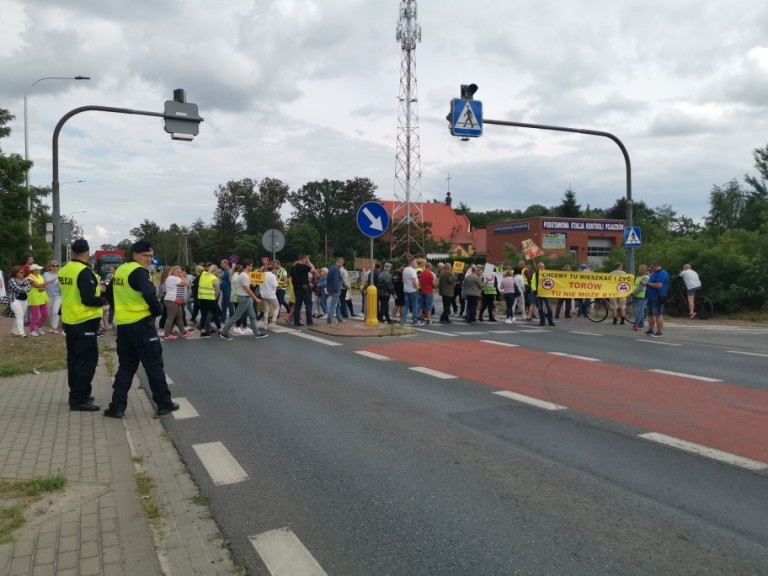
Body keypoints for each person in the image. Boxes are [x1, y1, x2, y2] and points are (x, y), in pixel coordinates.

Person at [104, 239, 178, 418]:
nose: (149, 259)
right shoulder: (139, 272)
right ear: (135, 254)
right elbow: (149, 294)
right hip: (142, 326)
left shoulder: (121, 270)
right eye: (146, 256)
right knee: (153, 365)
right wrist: (157, 311)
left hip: (124, 327)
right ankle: (164, 404)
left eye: (151, 257)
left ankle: (117, 407)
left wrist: (118, 310)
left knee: (126, 367)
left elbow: (108, 294)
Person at [57, 239, 107, 411]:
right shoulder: (84, 272)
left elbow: (71, 294)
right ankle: (80, 399)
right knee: (87, 361)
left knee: (74, 360)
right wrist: (104, 299)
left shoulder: (64, 270)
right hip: (84, 321)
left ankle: (77, 393)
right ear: (87, 252)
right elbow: (88, 299)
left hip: (70, 321)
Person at [219, 259, 268, 340]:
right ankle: (224, 332)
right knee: (236, 316)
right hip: (244, 298)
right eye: (251, 265)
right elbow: (247, 289)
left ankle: (257, 333)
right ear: (247, 266)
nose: (252, 267)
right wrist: (255, 298)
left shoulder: (245, 275)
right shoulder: (244, 275)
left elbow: (248, 287)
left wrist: (253, 285)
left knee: (252, 315)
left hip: (246, 299)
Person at [162, 266, 191, 340]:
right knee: (171, 318)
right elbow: (186, 283)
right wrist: (182, 276)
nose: (180, 273)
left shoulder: (171, 278)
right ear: (173, 271)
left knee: (179, 316)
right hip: (172, 300)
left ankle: (183, 332)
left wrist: (181, 276)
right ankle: (167, 334)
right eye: (178, 271)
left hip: (176, 300)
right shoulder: (173, 278)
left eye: (180, 271)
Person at [3, 265, 31, 337]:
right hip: (15, 300)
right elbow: (18, 289)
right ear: (16, 273)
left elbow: (29, 288)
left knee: (20, 315)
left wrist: (24, 287)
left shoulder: (24, 279)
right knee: (20, 315)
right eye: (21, 272)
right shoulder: (12, 280)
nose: (22, 273)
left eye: (23, 272)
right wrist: (24, 288)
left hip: (24, 300)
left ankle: (14, 331)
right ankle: (22, 333)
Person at [644, 260, 670, 338]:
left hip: (658, 296)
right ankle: (650, 330)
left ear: (656, 266)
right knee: (650, 314)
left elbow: (659, 285)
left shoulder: (662, 273)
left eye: (652, 267)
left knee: (657, 314)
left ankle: (659, 332)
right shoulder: (654, 273)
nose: (650, 269)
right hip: (650, 296)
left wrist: (647, 283)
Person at [290, 254, 315, 326]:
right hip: (305, 288)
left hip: (296, 288)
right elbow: (313, 269)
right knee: (308, 304)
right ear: (304, 259)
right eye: (306, 260)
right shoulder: (304, 267)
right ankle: (309, 321)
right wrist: (309, 261)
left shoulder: (293, 267)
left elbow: (291, 278)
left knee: (298, 306)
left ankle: (296, 322)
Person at [25, 264, 51, 337]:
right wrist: (47, 283)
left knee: (45, 314)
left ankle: (39, 327)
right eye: (38, 269)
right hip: (34, 297)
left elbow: (42, 287)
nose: (40, 270)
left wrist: (44, 287)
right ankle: (32, 330)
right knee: (35, 315)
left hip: (42, 296)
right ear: (34, 270)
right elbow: (37, 285)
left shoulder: (40, 276)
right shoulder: (29, 277)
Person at [198, 263, 221, 336]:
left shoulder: (203, 275)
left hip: (202, 298)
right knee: (217, 314)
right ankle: (220, 330)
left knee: (204, 314)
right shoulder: (215, 278)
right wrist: (215, 297)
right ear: (215, 271)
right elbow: (217, 290)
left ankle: (202, 331)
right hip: (211, 299)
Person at [532, 262, 555, 327]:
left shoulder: (547, 273)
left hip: (546, 293)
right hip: (539, 294)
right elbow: (533, 284)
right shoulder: (535, 274)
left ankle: (550, 321)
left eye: (543, 266)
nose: (542, 267)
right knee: (540, 308)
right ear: (538, 267)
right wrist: (535, 292)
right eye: (541, 266)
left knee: (549, 308)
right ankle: (542, 321)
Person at [44, 260, 62, 334]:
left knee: (55, 311)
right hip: (48, 295)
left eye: (57, 265)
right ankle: (52, 327)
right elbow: (43, 284)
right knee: (50, 312)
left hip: (58, 295)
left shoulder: (60, 274)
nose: (55, 267)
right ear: (49, 266)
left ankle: (55, 328)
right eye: (53, 265)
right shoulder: (45, 274)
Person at [325, 257, 345, 325]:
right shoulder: (336, 269)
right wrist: (337, 290)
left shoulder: (331, 267)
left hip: (330, 289)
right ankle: (329, 320)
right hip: (335, 290)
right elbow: (336, 280)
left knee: (338, 304)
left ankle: (340, 318)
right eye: (342, 264)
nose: (342, 265)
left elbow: (328, 279)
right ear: (340, 262)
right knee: (333, 305)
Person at [401, 258, 421, 326]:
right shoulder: (413, 271)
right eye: (415, 262)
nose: (416, 264)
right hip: (413, 290)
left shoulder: (405, 269)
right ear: (411, 262)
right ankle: (415, 320)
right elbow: (414, 281)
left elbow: (403, 280)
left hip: (406, 290)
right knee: (415, 305)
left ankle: (404, 320)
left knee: (406, 305)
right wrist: (416, 289)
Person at [631, 264, 649, 331]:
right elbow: (636, 286)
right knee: (641, 310)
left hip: (642, 296)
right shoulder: (639, 277)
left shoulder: (645, 277)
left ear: (644, 270)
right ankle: (641, 324)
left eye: (641, 269)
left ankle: (636, 324)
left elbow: (641, 287)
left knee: (639, 310)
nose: (639, 270)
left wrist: (633, 293)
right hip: (638, 295)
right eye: (639, 269)